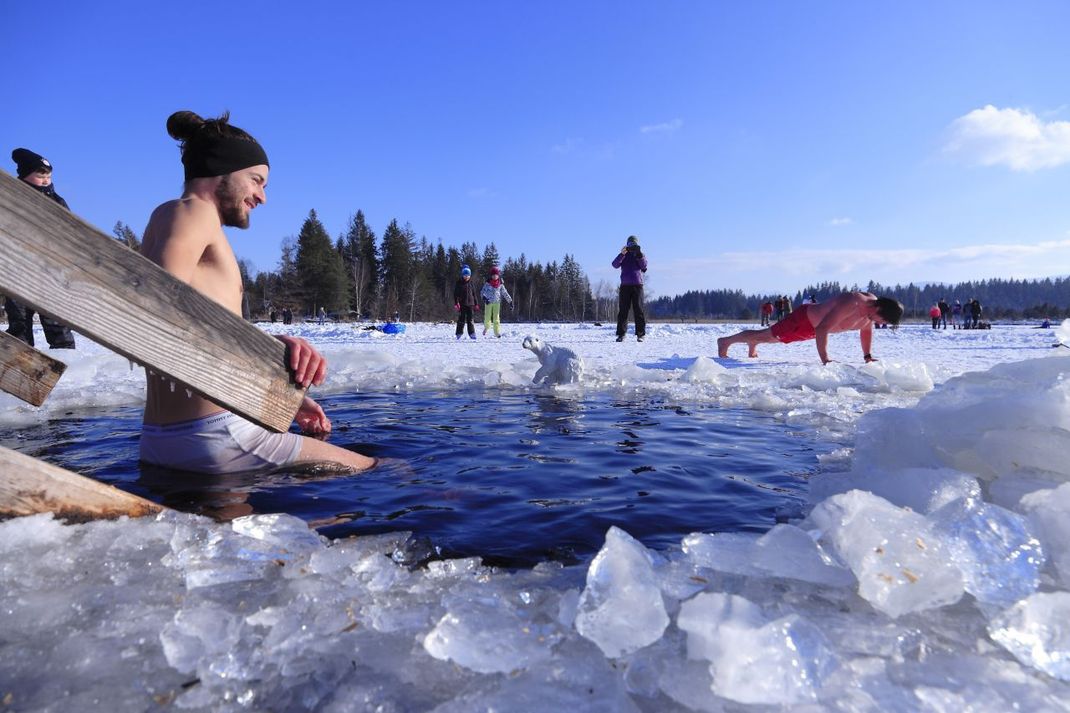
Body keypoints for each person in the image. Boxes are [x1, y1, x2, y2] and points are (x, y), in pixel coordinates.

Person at [137, 110, 376, 475]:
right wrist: (266, 348)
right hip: (213, 436)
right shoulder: (193, 212)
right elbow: (158, 310)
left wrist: (275, 383)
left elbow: (190, 321)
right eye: (256, 180)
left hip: (165, 439)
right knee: (380, 470)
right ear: (221, 172)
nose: (262, 197)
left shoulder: (173, 218)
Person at [5, 148, 77, 349]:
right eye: (40, 175)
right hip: (18, 271)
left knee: (57, 322)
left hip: (50, 271)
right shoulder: (14, 198)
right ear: (26, 175)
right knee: (19, 321)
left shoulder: (57, 201)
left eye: (49, 175)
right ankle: (18, 361)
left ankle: (66, 357)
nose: (46, 180)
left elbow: (72, 232)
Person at [717, 291, 904, 364]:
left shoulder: (870, 312)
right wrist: (825, 360)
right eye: (882, 320)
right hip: (804, 320)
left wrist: (867, 356)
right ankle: (726, 341)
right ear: (879, 308)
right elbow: (822, 329)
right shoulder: (854, 303)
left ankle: (753, 345)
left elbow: (866, 331)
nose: (880, 323)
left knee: (769, 337)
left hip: (810, 328)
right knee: (768, 336)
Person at [612, 235, 648, 342]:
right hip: (625, 286)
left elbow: (644, 266)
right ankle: (621, 334)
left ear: (637, 245)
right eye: (629, 244)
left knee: (639, 310)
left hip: (637, 286)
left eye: (633, 244)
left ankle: (640, 334)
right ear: (626, 245)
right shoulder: (624, 255)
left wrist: (639, 255)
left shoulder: (639, 254)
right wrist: (622, 254)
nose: (631, 246)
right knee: (623, 311)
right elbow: (614, 265)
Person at [480, 266, 512, 337]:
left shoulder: (500, 284)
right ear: (491, 276)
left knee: (496, 318)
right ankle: (486, 327)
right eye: (493, 275)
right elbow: (482, 292)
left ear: (498, 275)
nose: (495, 276)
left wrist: (510, 301)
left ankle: (497, 332)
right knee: (487, 316)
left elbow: (505, 293)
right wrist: (484, 298)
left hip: (497, 302)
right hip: (488, 302)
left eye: (496, 275)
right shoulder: (487, 283)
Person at [453, 264, 479, 339]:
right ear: (462, 275)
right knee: (461, 319)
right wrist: (456, 303)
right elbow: (455, 294)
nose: (466, 277)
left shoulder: (471, 283)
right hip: (462, 304)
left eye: (468, 275)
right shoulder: (459, 283)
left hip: (470, 304)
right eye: (465, 275)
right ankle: (459, 333)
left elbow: (474, 294)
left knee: (470, 319)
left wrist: (476, 303)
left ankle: (472, 333)